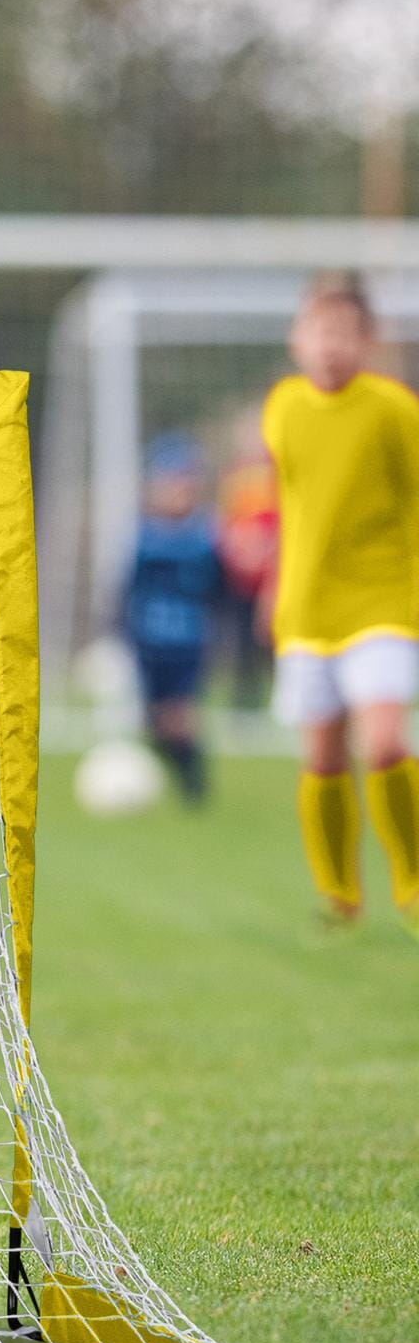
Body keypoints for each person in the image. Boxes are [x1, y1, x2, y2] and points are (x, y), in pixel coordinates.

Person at [263, 275, 419, 930]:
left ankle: (411, 883)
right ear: (299, 339)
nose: (330, 346)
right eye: (318, 332)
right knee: (322, 757)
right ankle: (340, 897)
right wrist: (275, 582)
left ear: (367, 341)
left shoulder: (393, 410)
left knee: (382, 742)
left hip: (384, 600)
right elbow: (294, 506)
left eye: (343, 334)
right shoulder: (284, 410)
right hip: (307, 609)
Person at [122, 433, 222, 803]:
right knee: (154, 721)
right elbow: (125, 590)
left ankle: (195, 787)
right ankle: (177, 768)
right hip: (149, 643)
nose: (179, 491)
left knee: (181, 715)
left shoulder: (206, 536)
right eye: (171, 483)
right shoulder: (142, 537)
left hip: (187, 643)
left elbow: (220, 590)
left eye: (186, 483)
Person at [215, 409, 280, 711]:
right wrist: (239, 550)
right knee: (241, 641)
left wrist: (267, 551)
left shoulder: (276, 473)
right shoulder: (235, 476)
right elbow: (227, 523)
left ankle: (282, 699)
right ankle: (246, 703)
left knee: (273, 640)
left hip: (271, 576)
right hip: (241, 577)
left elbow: (283, 522)